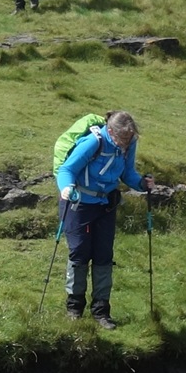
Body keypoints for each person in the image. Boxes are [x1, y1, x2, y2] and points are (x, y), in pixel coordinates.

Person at [54, 111, 147, 328]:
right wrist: (66, 188)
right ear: (111, 131)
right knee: (80, 252)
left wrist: (142, 184)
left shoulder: (128, 143)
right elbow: (67, 169)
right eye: (123, 138)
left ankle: (101, 312)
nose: (126, 143)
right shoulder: (93, 142)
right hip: (79, 204)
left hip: (106, 205)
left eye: (129, 138)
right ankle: (74, 308)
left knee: (104, 255)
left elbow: (128, 173)